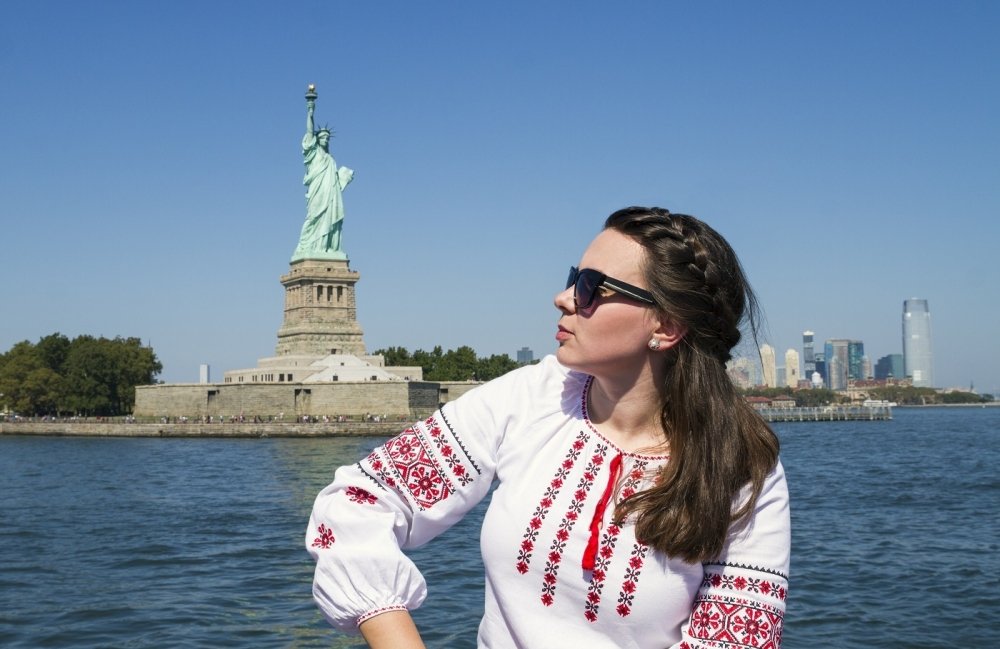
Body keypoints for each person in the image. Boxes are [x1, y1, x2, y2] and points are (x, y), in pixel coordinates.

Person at [307, 206, 790, 648]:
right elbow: (357, 502)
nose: (562, 299)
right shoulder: (531, 397)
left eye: (591, 288)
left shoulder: (742, 467)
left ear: (665, 325)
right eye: (573, 278)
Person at [292, 94, 354, 261]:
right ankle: (307, 246)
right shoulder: (312, 153)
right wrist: (310, 111)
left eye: (327, 138)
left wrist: (344, 179)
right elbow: (309, 131)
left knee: (331, 219)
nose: (325, 140)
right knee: (314, 217)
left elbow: (335, 182)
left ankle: (327, 248)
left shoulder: (330, 159)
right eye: (322, 137)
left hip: (331, 195)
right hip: (317, 192)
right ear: (317, 140)